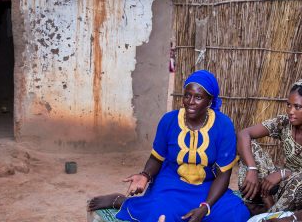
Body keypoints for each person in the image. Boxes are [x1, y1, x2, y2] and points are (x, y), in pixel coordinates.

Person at [88, 70, 250, 222]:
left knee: (236, 214)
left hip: (206, 188)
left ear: (209, 101)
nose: (190, 102)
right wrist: (144, 175)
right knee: (160, 213)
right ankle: (121, 201)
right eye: (187, 95)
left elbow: (223, 176)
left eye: (198, 97)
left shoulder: (223, 125)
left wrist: (205, 207)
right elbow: (156, 158)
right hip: (172, 184)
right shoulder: (169, 120)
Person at [237, 79, 302, 215]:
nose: (290, 111)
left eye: (297, 106)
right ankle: (267, 203)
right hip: (282, 182)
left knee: (299, 183)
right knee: (250, 147)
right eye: (288, 105)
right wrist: (253, 169)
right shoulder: (284, 122)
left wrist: (283, 173)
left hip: (298, 187)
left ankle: (270, 214)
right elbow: (244, 134)